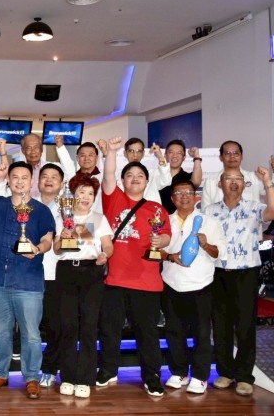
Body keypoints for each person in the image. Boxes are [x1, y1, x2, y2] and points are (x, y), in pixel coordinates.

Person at [0, 162, 55, 400]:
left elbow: (48, 239)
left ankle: (31, 377)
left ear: (31, 181)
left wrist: (38, 249)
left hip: (28, 281)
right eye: (14, 177)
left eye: (24, 177)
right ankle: (0, 373)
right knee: (1, 332)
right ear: (8, 180)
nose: (19, 181)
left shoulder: (41, 210)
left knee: (31, 334)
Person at [97, 136, 171, 398]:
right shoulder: (114, 200)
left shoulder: (157, 209)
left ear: (147, 182)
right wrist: (112, 152)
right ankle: (108, 370)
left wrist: (160, 241)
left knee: (147, 333)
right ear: (123, 180)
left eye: (140, 175)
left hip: (146, 282)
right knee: (109, 330)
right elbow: (108, 176)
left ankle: (152, 377)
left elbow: (166, 236)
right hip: (115, 281)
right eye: (129, 175)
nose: (135, 179)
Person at [205, 166, 274, 396]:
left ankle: (245, 376)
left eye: (238, 178)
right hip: (217, 273)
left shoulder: (254, 208)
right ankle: (225, 373)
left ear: (244, 184)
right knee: (221, 326)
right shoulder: (209, 211)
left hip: (246, 273)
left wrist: (268, 181)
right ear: (220, 184)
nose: (233, 182)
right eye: (228, 179)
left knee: (245, 326)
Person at [161, 178, 226, 395]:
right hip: (171, 283)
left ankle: (200, 376)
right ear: (172, 199)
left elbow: (219, 253)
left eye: (188, 192)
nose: (184, 197)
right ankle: (179, 372)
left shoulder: (209, 222)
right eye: (179, 193)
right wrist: (169, 256)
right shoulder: (164, 221)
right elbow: (154, 251)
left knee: (201, 332)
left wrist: (205, 244)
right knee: (174, 331)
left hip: (201, 285)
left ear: (196, 196)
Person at [53, 174, 113, 399]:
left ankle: (86, 378)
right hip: (67, 271)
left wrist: (105, 255)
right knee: (68, 325)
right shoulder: (62, 216)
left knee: (88, 326)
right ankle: (67, 377)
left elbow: (108, 245)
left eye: (90, 193)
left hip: (91, 272)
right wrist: (63, 238)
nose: (86, 197)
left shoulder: (99, 218)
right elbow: (56, 249)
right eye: (81, 192)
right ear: (73, 195)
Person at [35, 163, 65, 389]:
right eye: (44, 176)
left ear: (61, 184)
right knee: (33, 326)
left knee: (55, 324)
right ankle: (31, 368)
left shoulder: (69, 208)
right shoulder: (28, 206)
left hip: (57, 274)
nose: (48, 180)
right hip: (29, 273)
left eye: (54, 177)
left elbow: (85, 239)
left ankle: (50, 368)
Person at [200, 140, 274, 209]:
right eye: (227, 153)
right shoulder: (210, 181)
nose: (232, 156)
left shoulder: (253, 177)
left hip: (250, 224)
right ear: (221, 157)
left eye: (236, 153)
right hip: (219, 224)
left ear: (242, 156)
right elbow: (205, 211)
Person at [100, 137, 171, 204]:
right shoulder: (118, 174)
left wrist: (160, 157)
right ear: (125, 153)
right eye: (131, 151)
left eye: (139, 151)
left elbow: (166, 180)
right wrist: (106, 153)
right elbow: (108, 172)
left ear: (143, 153)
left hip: (150, 212)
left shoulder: (152, 174)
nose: (135, 155)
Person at [15, 133, 74, 199]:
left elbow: (70, 173)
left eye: (36, 147)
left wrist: (60, 147)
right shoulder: (16, 170)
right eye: (29, 148)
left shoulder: (53, 168)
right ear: (23, 151)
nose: (33, 151)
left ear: (41, 149)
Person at [157, 139, 203, 214]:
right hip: (157, 218)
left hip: (181, 218)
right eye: (171, 152)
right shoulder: (155, 175)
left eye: (179, 153)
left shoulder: (187, 178)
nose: (175, 156)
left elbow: (196, 182)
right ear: (165, 155)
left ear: (184, 157)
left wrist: (196, 156)